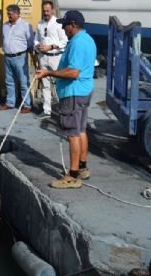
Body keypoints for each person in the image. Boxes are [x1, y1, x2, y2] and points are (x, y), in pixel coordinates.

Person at [36, 10, 97, 189]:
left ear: (73, 25)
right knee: (81, 130)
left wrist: (49, 72)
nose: (63, 28)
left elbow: (73, 72)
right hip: (84, 90)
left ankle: (72, 175)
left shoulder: (77, 43)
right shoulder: (88, 39)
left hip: (73, 92)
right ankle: (83, 167)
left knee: (72, 133)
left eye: (65, 25)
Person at [34, 0, 68, 119]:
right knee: (45, 85)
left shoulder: (59, 24)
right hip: (43, 57)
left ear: (53, 10)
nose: (46, 13)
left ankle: (63, 110)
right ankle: (47, 110)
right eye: (44, 11)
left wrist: (51, 46)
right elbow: (36, 39)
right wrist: (37, 46)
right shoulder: (40, 24)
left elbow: (64, 41)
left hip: (55, 57)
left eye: (48, 11)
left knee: (59, 84)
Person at [0, 4, 34, 114]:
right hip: (7, 57)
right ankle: (10, 102)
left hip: (20, 57)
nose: (8, 16)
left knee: (23, 82)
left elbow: (31, 42)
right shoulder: (5, 25)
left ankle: (27, 104)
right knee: (9, 81)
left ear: (17, 14)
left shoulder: (26, 25)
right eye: (8, 14)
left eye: (10, 14)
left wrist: (24, 52)